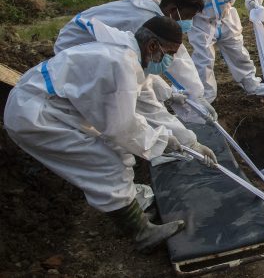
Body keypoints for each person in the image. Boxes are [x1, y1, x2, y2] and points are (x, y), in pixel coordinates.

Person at [4, 17, 218, 253]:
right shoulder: (120, 65)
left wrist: (190, 142)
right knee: (106, 162)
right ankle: (141, 232)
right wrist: (164, 141)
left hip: (53, 108)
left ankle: (130, 205)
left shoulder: (131, 56)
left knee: (116, 152)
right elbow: (122, 127)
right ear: (153, 46)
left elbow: (150, 108)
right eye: (170, 53)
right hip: (37, 116)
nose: (169, 61)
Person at [55, 0, 214, 122]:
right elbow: (176, 61)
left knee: (136, 82)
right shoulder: (144, 21)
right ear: (173, 10)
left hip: (89, 43)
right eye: (187, 17)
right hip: (75, 47)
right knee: (118, 100)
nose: (188, 23)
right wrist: (195, 94)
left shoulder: (156, 10)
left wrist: (178, 94)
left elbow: (174, 59)